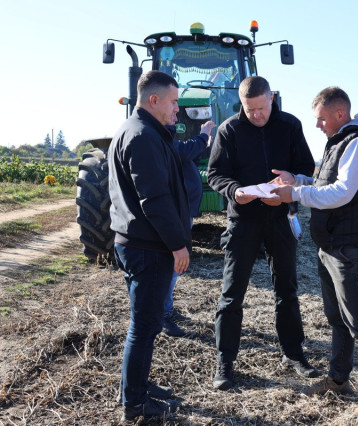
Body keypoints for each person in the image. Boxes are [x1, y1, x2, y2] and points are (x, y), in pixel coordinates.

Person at [270, 87, 358, 420]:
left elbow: (341, 193)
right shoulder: (338, 141)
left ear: (339, 114)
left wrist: (295, 194)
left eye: (321, 119)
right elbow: (324, 184)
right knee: (337, 319)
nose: (318, 125)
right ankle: (338, 379)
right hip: (330, 245)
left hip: (349, 248)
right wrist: (297, 180)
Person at [206, 76, 318, 390]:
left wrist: (291, 178)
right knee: (232, 293)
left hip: (280, 218)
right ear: (241, 105)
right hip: (243, 220)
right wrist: (234, 190)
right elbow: (215, 174)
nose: (256, 114)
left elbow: (306, 167)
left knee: (287, 289)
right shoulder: (229, 130)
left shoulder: (290, 126)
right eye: (249, 109)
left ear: (271, 98)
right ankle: (225, 362)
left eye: (261, 108)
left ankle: (293, 354)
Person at [108, 70, 191, 422]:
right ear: (154, 100)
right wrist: (178, 245)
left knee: (144, 324)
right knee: (143, 327)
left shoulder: (136, 130)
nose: (177, 109)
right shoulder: (142, 136)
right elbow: (154, 199)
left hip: (136, 243)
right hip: (148, 247)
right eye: (173, 102)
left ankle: (135, 386)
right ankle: (136, 404)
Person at [162, 120, 216, 337]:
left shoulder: (165, 137)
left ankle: (167, 308)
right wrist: (203, 134)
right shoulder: (159, 139)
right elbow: (184, 150)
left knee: (173, 268)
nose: (176, 113)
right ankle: (162, 314)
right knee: (170, 266)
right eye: (173, 105)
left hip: (183, 211)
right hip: (176, 212)